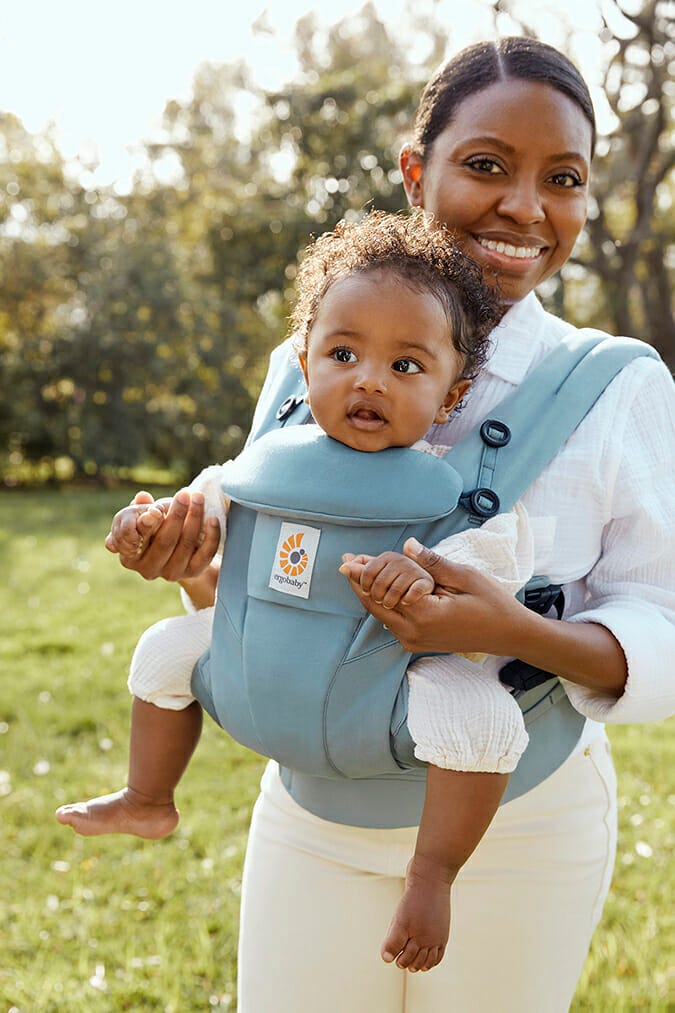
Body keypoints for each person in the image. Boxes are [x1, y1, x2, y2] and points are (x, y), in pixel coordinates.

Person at [69, 37, 675, 1012]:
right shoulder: (305, 360)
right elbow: (267, 577)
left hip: (517, 832)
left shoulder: (620, 388)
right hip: (310, 817)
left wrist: (509, 631)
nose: (526, 206)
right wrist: (186, 561)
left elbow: (664, 622)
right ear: (414, 170)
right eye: (486, 165)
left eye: (562, 179)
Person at [56, 210, 535, 971]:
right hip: (259, 659)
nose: (369, 378)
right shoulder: (266, 462)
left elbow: (495, 561)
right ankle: (147, 795)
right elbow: (198, 502)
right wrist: (142, 524)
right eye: (342, 352)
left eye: (406, 365)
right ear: (305, 360)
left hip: (384, 679)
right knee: (160, 651)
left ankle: (432, 873)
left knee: (486, 720)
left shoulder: (447, 489)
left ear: (453, 395)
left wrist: (426, 574)